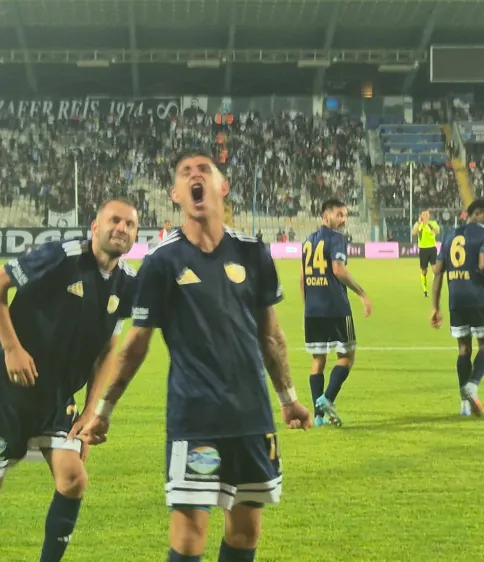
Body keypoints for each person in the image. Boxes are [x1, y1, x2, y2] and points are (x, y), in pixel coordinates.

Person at [75, 151, 312, 562]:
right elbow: (135, 345)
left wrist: (288, 398)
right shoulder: (162, 261)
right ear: (176, 194)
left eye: (204, 170)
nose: (194, 175)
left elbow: (270, 334)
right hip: (194, 417)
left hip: (252, 417)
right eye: (185, 173)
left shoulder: (253, 252)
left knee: (245, 532)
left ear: (223, 187)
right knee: (188, 538)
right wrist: (104, 410)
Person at [0, 200, 140, 562]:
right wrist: (12, 348)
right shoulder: (60, 257)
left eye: (130, 224)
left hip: (57, 397)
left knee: (73, 479)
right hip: (6, 389)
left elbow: (107, 350)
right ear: (95, 226)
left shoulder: (127, 284)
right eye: (115, 220)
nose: (122, 228)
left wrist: (90, 411)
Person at [430, 198, 484, 417]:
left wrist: (435, 307)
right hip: (478, 297)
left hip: (456, 299)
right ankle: (473, 384)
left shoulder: (449, 235)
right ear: (476, 214)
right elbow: (483, 265)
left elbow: (438, 271)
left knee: (463, 350)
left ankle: (464, 405)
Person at [301, 198, 372, 427]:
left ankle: (318, 416)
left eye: (345, 215)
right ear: (325, 216)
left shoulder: (308, 241)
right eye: (339, 215)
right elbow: (338, 270)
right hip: (336, 308)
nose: (343, 220)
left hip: (313, 310)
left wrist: (307, 306)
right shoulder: (336, 239)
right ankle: (327, 398)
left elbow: (302, 278)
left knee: (318, 360)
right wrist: (362, 293)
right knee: (347, 356)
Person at [412, 210, 441, 297]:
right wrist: (419, 223)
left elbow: (437, 231)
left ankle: (435, 288)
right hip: (423, 250)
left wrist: (428, 224)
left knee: (435, 270)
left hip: (432, 249)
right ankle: (425, 290)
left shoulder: (433, 223)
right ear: (421, 216)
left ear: (428, 216)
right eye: (423, 215)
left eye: (426, 215)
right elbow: (413, 233)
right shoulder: (418, 224)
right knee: (424, 271)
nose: (425, 216)